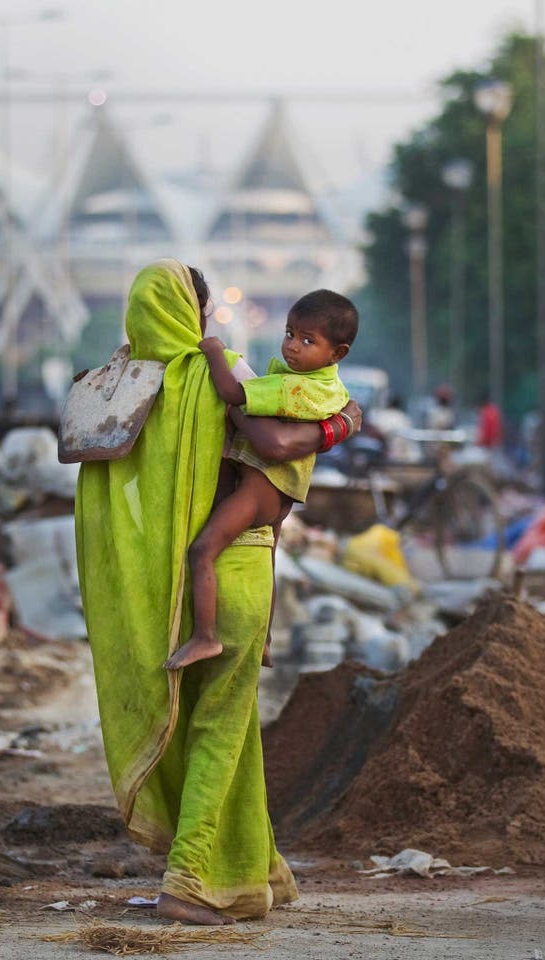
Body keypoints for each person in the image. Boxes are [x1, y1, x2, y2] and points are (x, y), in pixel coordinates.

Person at [74, 259, 361, 925]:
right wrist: (344, 419)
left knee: (227, 728)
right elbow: (278, 439)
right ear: (193, 313)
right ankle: (192, 877)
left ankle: (257, 869)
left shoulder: (116, 389)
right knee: (221, 726)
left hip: (161, 589)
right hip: (235, 571)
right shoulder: (215, 372)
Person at [164, 289, 358, 671]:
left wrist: (214, 351)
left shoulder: (293, 387)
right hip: (282, 495)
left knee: (202, 550)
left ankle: (205, 637)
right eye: (289, 334)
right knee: (268, 561)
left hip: (258, 488)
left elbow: (231, 391)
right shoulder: (333, 389)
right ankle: (265, 640)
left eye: (307, 341)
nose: (292, 347)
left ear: (337, 353)